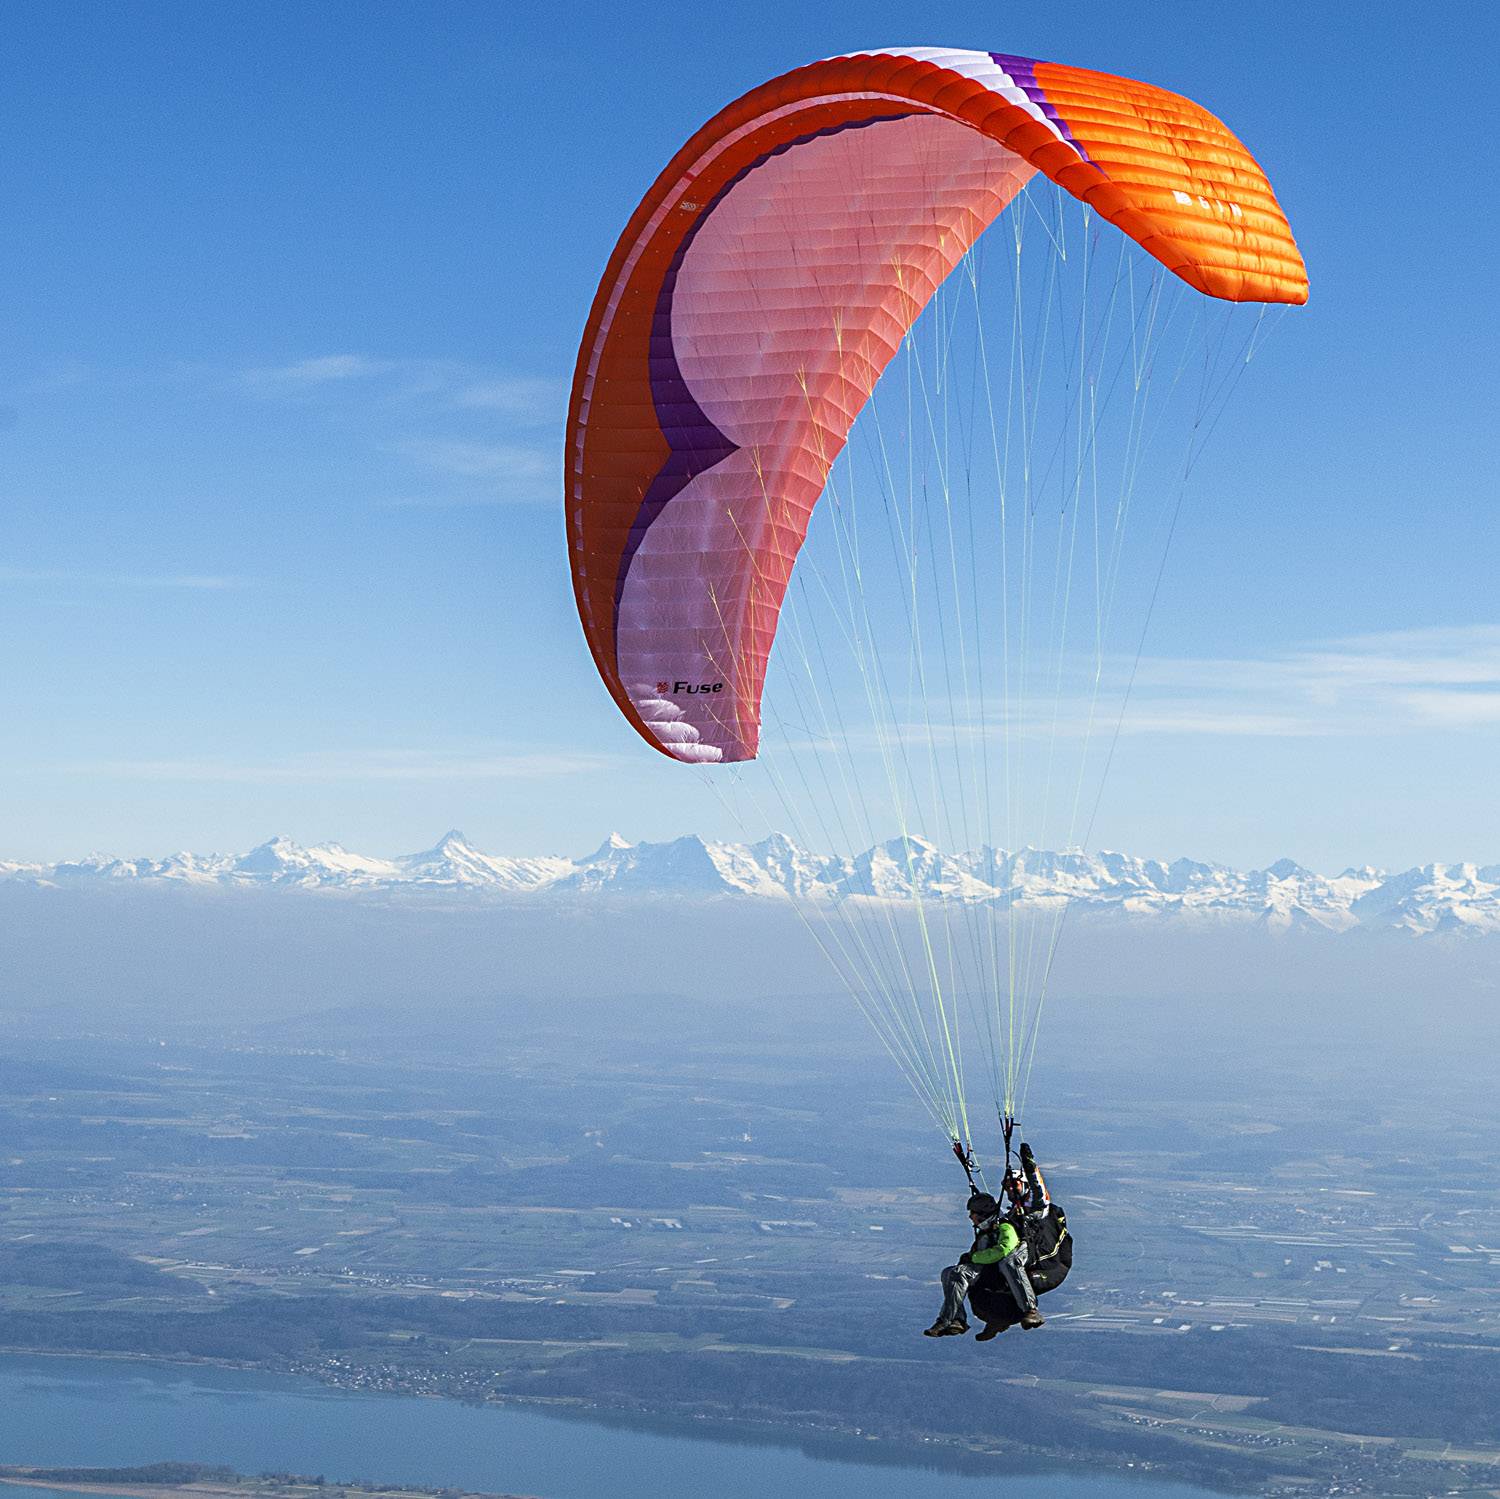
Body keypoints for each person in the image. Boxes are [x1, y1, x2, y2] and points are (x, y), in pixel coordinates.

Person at [923, 1187, 1044, 1338]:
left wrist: (975, 1257)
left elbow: (1003, 1249)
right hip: (988, 1268)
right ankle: (956, 1320)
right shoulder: (987, 1231)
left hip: (997, 1270)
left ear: (981, 1214)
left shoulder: (1005, 1227)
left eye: (972, 1214)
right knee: (950, 1273)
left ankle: (1030, 1310)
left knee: (967, 1271)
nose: (970, 1217)